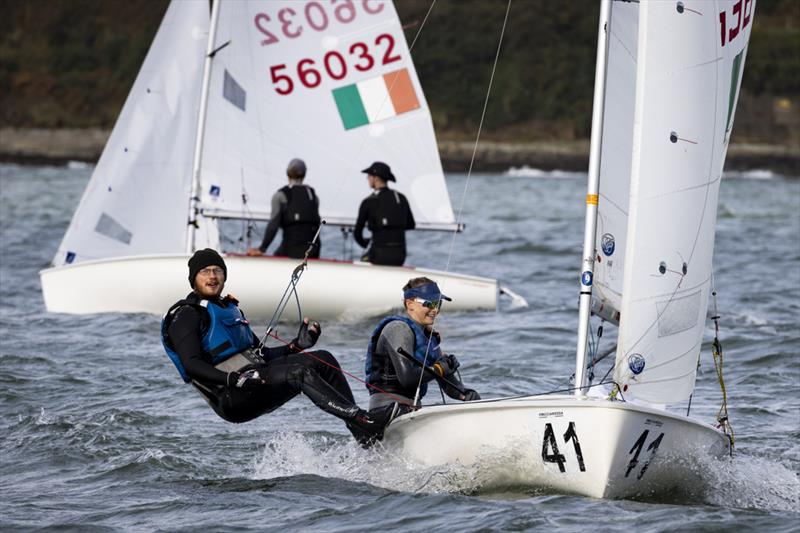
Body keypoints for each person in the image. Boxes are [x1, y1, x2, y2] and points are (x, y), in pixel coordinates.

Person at [161, 248, 387, 445]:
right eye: (205, 271)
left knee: (323, 359)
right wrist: (234, 379)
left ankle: (362, 433)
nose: (212, 276)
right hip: (231, 397)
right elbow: (191, 365)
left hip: (255, 380)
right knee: (299, 373)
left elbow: (264, 355)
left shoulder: (230, 308)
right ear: (193, 279)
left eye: (217, 271)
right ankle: (362, 420)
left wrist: (296, 346)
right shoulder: (186, 315)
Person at [364, 277, 480, 419]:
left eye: (438, 304)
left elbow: (445, 379)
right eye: (429, 303)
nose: (435, 309)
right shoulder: (398, 329)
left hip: (411, 412)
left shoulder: (429, 338)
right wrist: (440, 368)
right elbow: (408, 378)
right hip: (386, 412)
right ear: (410, 304)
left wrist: (465, 393)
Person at [247, 158, 321, 259]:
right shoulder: (313, 196)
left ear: (287, 173)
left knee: (277, 255)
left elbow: (273, 225)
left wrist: (262, 249)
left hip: (291, 251)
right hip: (314, 252)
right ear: (304, 175)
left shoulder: (280, 196)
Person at [354, 161, 415, 266]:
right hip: (400, 254)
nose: (367, 178)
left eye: (369, 175)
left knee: (363, 261)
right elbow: (411, 224)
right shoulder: (400, 197)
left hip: (378, 254)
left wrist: (367, 243)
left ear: (376, 178)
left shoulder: (368, 201)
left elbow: (357, 233)